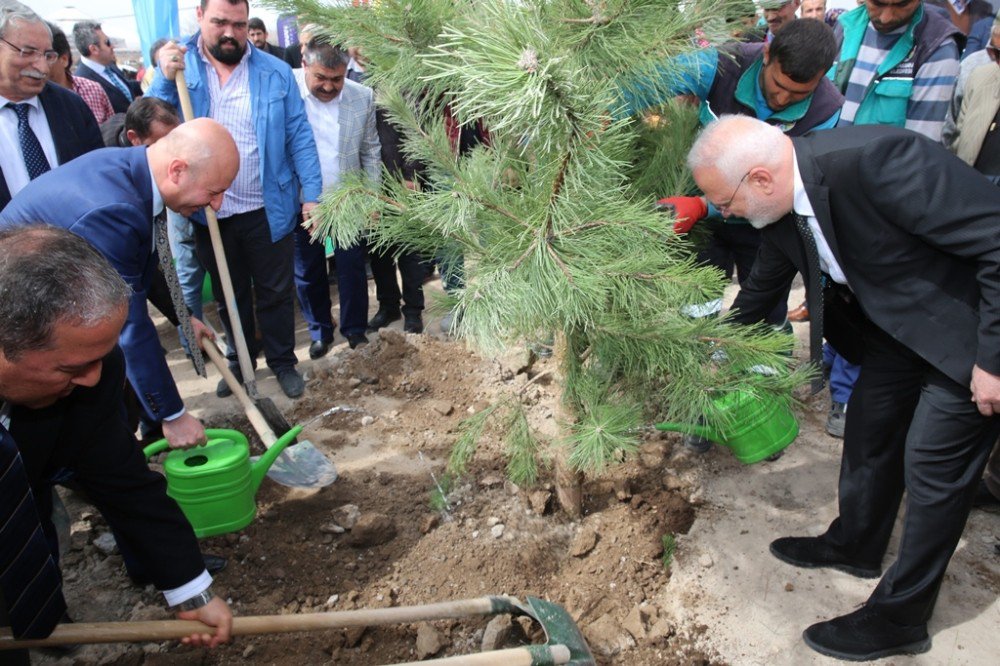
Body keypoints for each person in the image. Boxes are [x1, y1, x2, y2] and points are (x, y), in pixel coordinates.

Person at [688, 114, 1000, 660]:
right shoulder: (781, 205)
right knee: (868, 429)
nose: (722, 212)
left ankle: (901, 618)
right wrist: (720, 354)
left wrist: (994, 361)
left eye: (724, 201)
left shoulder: (878, 160)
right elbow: (763, 284)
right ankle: (856, 542)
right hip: (894, 334)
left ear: (759, 178)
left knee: (932, 469)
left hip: (966, 334)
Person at [0, 226, 231, 665]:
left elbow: (124, 482)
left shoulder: (91, 372)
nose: (94, 377)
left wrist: (190, 591)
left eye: (99, 359)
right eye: (74, 366)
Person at [0, 118, 239, 452]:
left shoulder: (138, 175)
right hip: (21, 336)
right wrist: (173, 413)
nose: (217, 205)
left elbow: (150, 261)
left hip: (55, 317)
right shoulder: (112, 211)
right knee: (81, 431)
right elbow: (129, 322)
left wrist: (184, 318)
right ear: (178, 171)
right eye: (214, 193)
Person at [149, 0, 323, 400]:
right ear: (199, 17)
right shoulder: (181, 69)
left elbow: (299, 136)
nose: (230, 32)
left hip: (267, 207)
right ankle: (240, 359)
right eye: (220, 22)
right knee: (231, 295)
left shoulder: (275, 72)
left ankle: (282, 362)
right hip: (209, 212)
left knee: (276, 292)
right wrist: (162, 77)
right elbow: (155, 120)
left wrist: (311, 196)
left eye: (239, 24)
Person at [295, 39, 380, 354]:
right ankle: (319, 331)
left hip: (347, 197)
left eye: (337, 79)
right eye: (321, 78)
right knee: (308, 270)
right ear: (305, 65)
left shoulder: (362, 97)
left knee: (351, 267)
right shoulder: (289, 94)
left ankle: (355, 329)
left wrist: (370, 196)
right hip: (304, 200)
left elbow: (371, 150)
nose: (329, 87)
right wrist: (306, 198)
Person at [0, 2, 103, 210]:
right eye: (27, 52)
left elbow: (97, 179)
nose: (42, 67)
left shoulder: (71, 107)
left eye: (48, 55)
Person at [45, 23, 113, 124]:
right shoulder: (35, 101)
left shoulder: (93, 89)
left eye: (47, 57)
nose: (38, 63)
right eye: (30, 54)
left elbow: (112, 129)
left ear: (64, 59)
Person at [71, 20, 141, 114]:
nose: (112, 46)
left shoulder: (110, 65)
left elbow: (125, 87)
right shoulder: (83, 83)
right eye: (107, 42)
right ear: (94, 49)